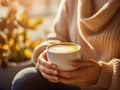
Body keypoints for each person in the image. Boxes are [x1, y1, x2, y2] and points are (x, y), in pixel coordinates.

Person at [11, 0, 120, 90]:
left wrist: (104, 75)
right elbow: (57, 38)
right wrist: (44, 56)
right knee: (24, 80)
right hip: (67, 84)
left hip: (108, 86)